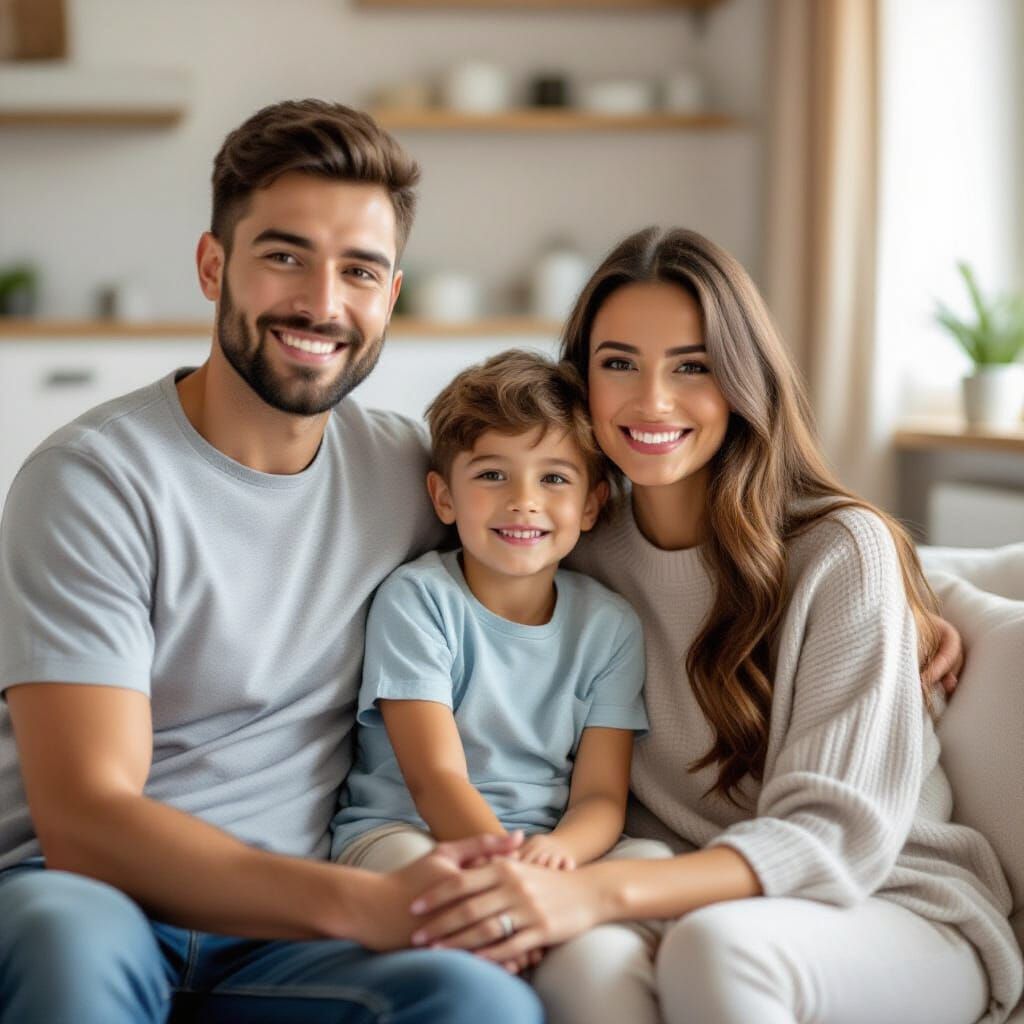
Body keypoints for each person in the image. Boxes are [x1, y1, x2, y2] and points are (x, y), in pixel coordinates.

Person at [0, 100, 543, 1024]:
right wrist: (367, 904)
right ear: (214, 266)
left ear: (391, 296)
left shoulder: (410, 478)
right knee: (65, 937)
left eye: (359, 271)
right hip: (95, 899)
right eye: (285, 255)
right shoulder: (92, 480)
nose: (322, 304)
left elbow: (562, 553)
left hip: (286, 935)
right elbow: (87, 821)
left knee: (476, 1002)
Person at [402, 228, 1024, 1024]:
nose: (652, 400)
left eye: (692, 366)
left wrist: (590, 890)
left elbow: (834, 836)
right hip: (684, 884)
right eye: (618, 362)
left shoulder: (840, 551)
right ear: (580, 385)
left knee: (717, 949)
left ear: (742, 379)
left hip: (890, 901)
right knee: (584, 968)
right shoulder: (575, 547)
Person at [332, 352, 665, 959]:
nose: (523, 501)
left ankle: (535, 943)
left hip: (543, 848)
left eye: (554, 479)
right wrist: (510, 881)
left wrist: (557, 857)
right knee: (428, 885)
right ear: (444, 497)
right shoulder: (418, 600)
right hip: (410, 832)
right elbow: (436, 781)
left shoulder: (610, 626)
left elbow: (599, 798)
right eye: (491, 475)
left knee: (651, 861)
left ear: (591, 506)